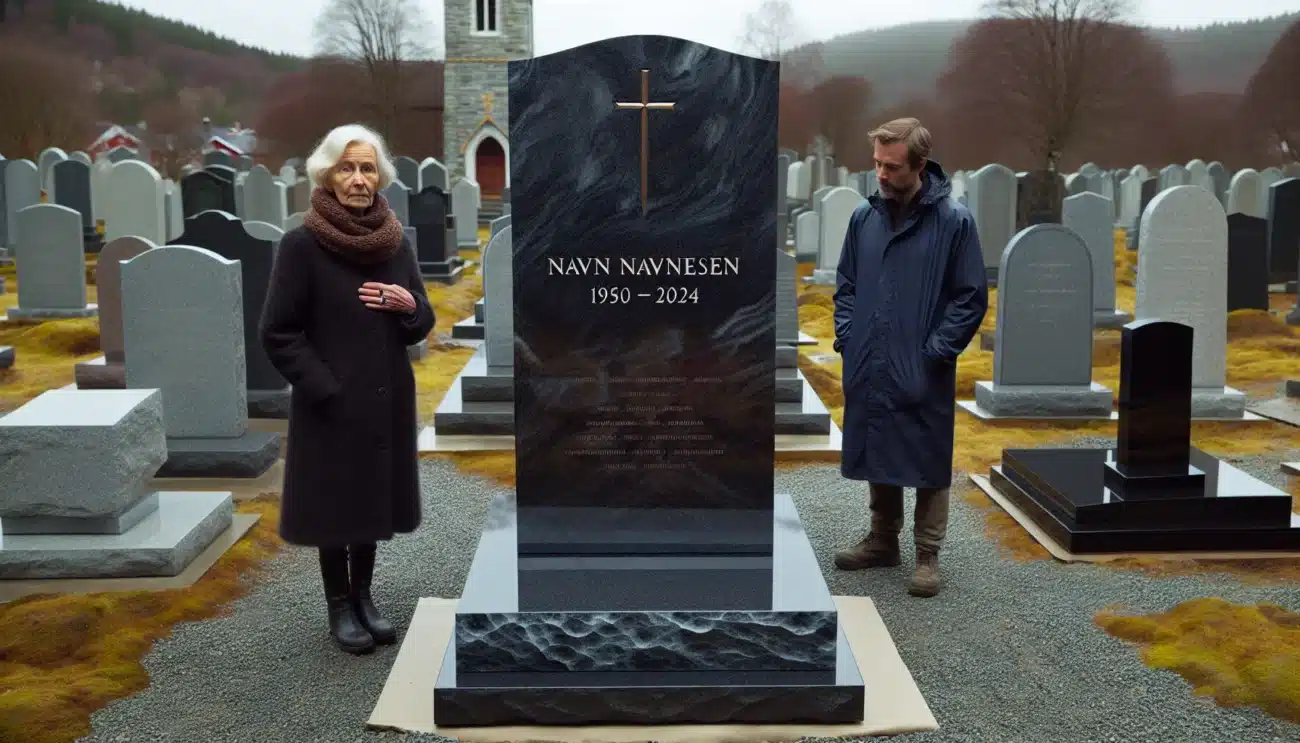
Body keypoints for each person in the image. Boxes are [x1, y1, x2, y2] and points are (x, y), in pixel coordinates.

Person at [259, 124, 436, 653]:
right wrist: (325, 389)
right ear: (327, 174)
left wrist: (411, 308)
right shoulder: (301, 245)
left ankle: (365, 596)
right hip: (331, 403)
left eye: (366, 168)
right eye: (347, 168)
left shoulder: (394, 242)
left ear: (379, 176)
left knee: (371, 499)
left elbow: (420, 320)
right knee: (335, 505)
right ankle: (340, 605)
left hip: (386, 399)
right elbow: (278, 332)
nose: (358, 179)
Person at [830, 118, 988, 598]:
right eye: (876, 163)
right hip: (869, 355)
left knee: (926, 453)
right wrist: (847, 336)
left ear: (919, 166)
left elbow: (970, 296)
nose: (879, 174)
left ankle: (927, 555)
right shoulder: (864, 217)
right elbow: (846, 285)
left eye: (891, 166)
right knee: (879, 442)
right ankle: (882, 541)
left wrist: (936, 352)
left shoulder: (954, 222)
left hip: (923, 362)